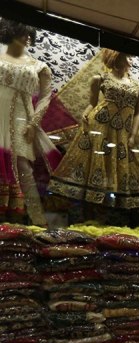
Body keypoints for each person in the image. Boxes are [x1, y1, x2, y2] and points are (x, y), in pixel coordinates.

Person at [48, 48, 139, 222]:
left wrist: (133, 135)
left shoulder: (138, 86)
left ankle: (111, 217)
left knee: (120, 168)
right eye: (128, 56)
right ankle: (88, 216)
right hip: (99, 127)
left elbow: (138, 112)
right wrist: (85, 114)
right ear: (117, 57)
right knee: (94, 166)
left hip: (121, 133)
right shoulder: (100, 79)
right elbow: (92, 104)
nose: (131, 60)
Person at [0, 19, 61, 226]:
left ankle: (37, 220)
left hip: (22, 118)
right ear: (11, 31)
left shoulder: (39, 66)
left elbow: (45, 97)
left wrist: (34, 123)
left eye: (30, 35)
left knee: (22, 166)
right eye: (23, 33)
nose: (28, 38)